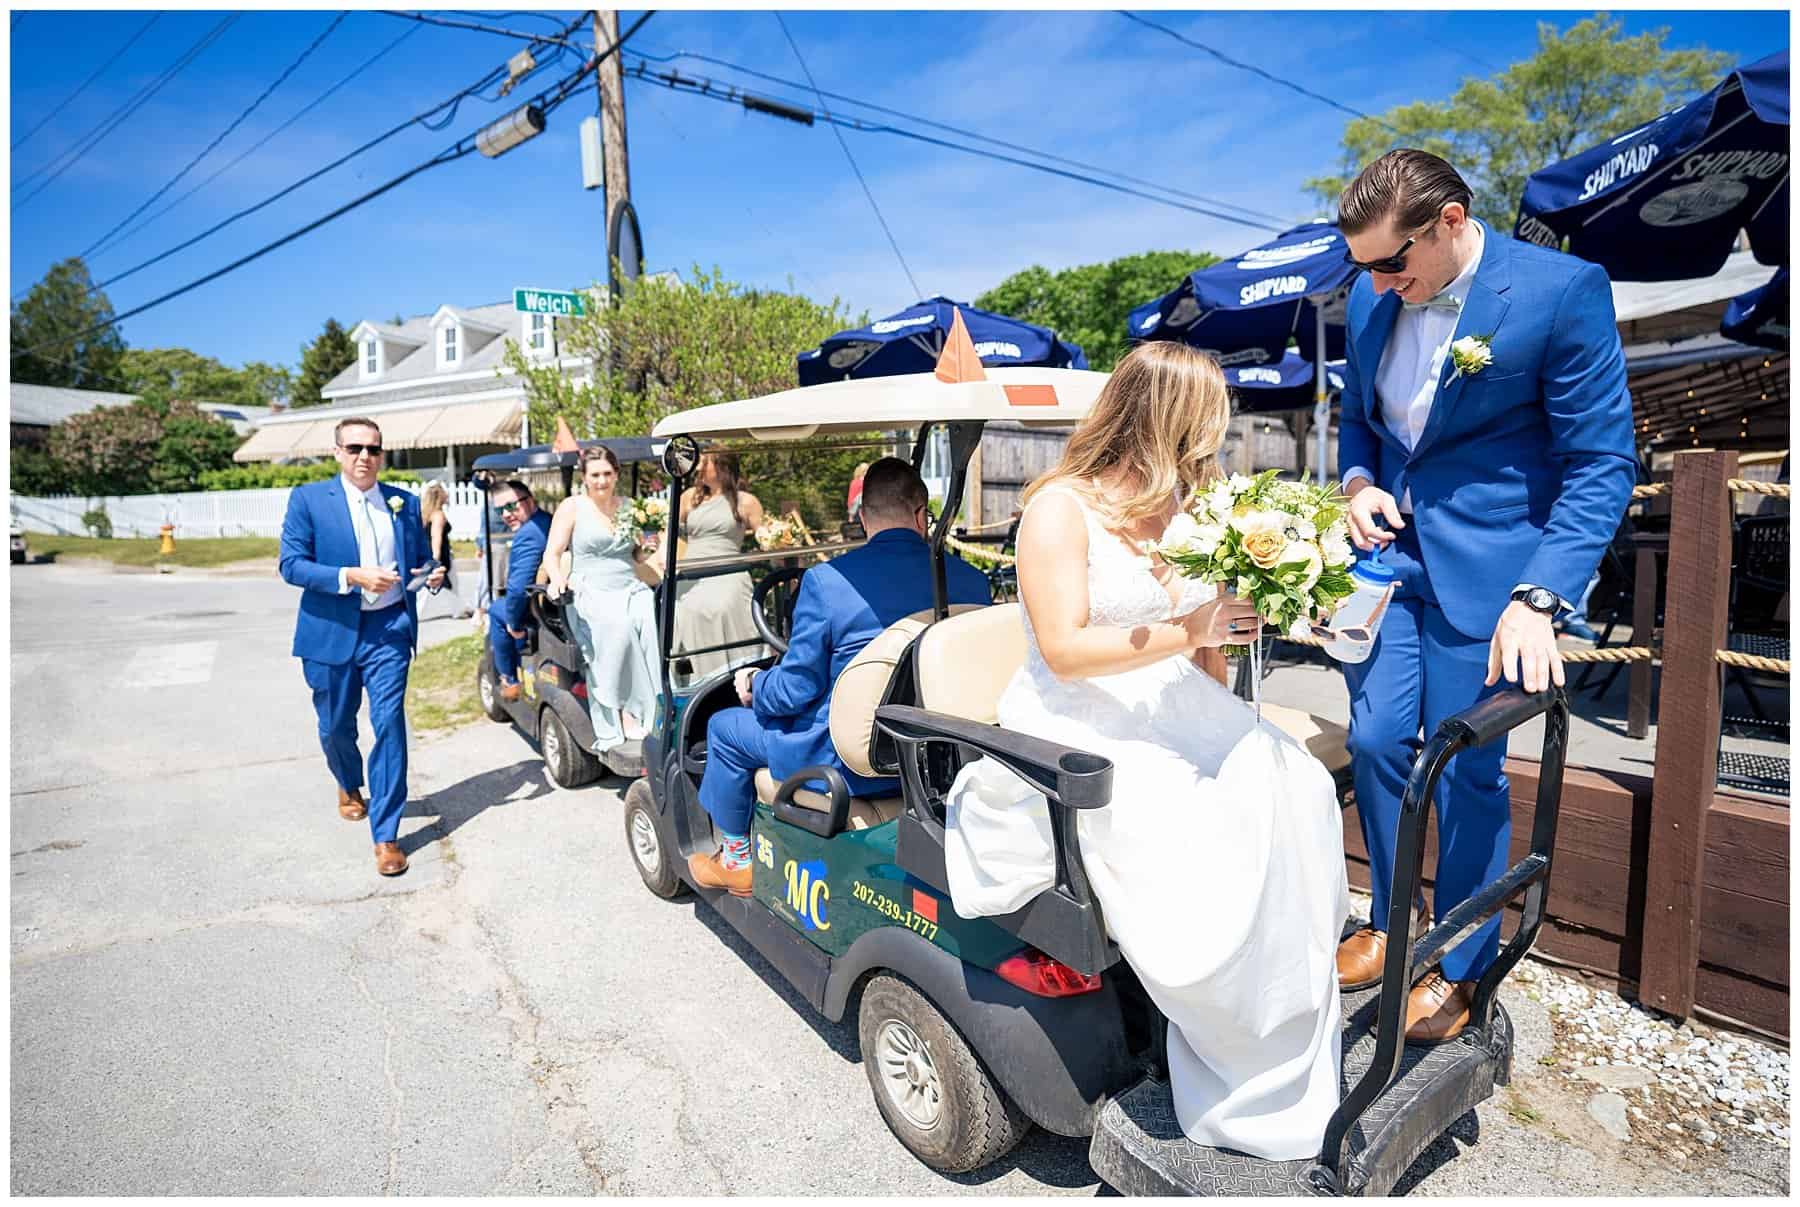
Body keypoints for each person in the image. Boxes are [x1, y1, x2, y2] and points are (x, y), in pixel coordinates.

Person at [947, 340, 1349, 1161]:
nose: (1219, 433)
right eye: (1207, 417)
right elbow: (1062, 649)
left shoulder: (1182, 506)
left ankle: (1289, 1003)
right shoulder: (1059, 507)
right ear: (1162, 415)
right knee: (1208, 817)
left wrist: (1232, 634)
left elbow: (1202, 646)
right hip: (1079, 718)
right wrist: (1192, 627)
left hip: (1170, 699)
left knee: (1294, 780)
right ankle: (1231, 1034)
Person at [1334, 150, 1634, 1041]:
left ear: (1453, 221)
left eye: (1395, 262)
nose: (1381, 285)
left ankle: (1460, 962)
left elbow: (1601, 463)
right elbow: (1359, 417)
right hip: (1390, 564)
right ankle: (1393, 924)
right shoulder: (1369, 295)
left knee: (1468, 768)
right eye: (1364, 268)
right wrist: (1356, 481)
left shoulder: (1561, 291)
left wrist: (1541, 595)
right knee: (1376, 738)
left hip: (1498, 581)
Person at [689, 458, 991, 894]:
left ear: (864, 517)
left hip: (849, 760)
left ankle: (737, 858)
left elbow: (796, 689)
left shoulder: (826, 582)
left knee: (723, 727)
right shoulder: (972, 582)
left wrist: (757, 686)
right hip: (939, 753)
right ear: (923, 515)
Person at [278, 417, 445, 877]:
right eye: (354, 448)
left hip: (388, 630)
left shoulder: (404, 502)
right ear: (337, 452)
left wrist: (431, 572)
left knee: (389, 724)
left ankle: (387, 835)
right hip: (329, 630)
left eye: (373, 449)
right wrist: (350, 576)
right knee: (335, 726)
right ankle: (348, 782)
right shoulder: (309, 500)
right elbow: (291, 565)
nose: (364, 457)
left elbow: (418, 559)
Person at [544, 446, 661, 752]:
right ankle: (622, 712)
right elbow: (552, 554)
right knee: (619, 629)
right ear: (584, 477)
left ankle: (655, 711)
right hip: (591, 589)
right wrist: (557, 579)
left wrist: (648, 545)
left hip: (628, 585)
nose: (601, 481)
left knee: (652, 623)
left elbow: (635, 555)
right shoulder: (572, 507)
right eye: (595, 475)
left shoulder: (629, 506)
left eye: (607, 474)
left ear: (616, 475)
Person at [671, 451, 767, 684]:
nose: (699, 467)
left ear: (723, 468)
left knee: (721, 607)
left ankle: (733, 673)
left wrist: (776, 538)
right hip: (692, 571)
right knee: (683, 610)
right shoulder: (688, 497)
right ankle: (695, 680)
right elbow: (670, 532)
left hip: (727, 569)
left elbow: (765, 534)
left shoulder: (745, 501)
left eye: (705, 462)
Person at [488, 479, 552, 703]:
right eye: (499, 510)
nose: (506, 514)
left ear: (530, 501)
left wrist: (514, 624)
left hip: (542, 607)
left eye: (511, 506)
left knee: (496, 610)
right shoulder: (543, 521)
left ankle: (509, 679)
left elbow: (517, 588)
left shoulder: (529, 534)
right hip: (547, 597)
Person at [417, 481, 470, 621]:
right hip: (440, 554)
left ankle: (458, 609)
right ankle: (457, 611)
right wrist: (435, 559)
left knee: (426, 585)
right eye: (445, 492)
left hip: (425, 553)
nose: (447, 495)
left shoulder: (425, 514)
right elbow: (436, 537)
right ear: (439, 495)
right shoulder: (438, 515)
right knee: (448, 583)